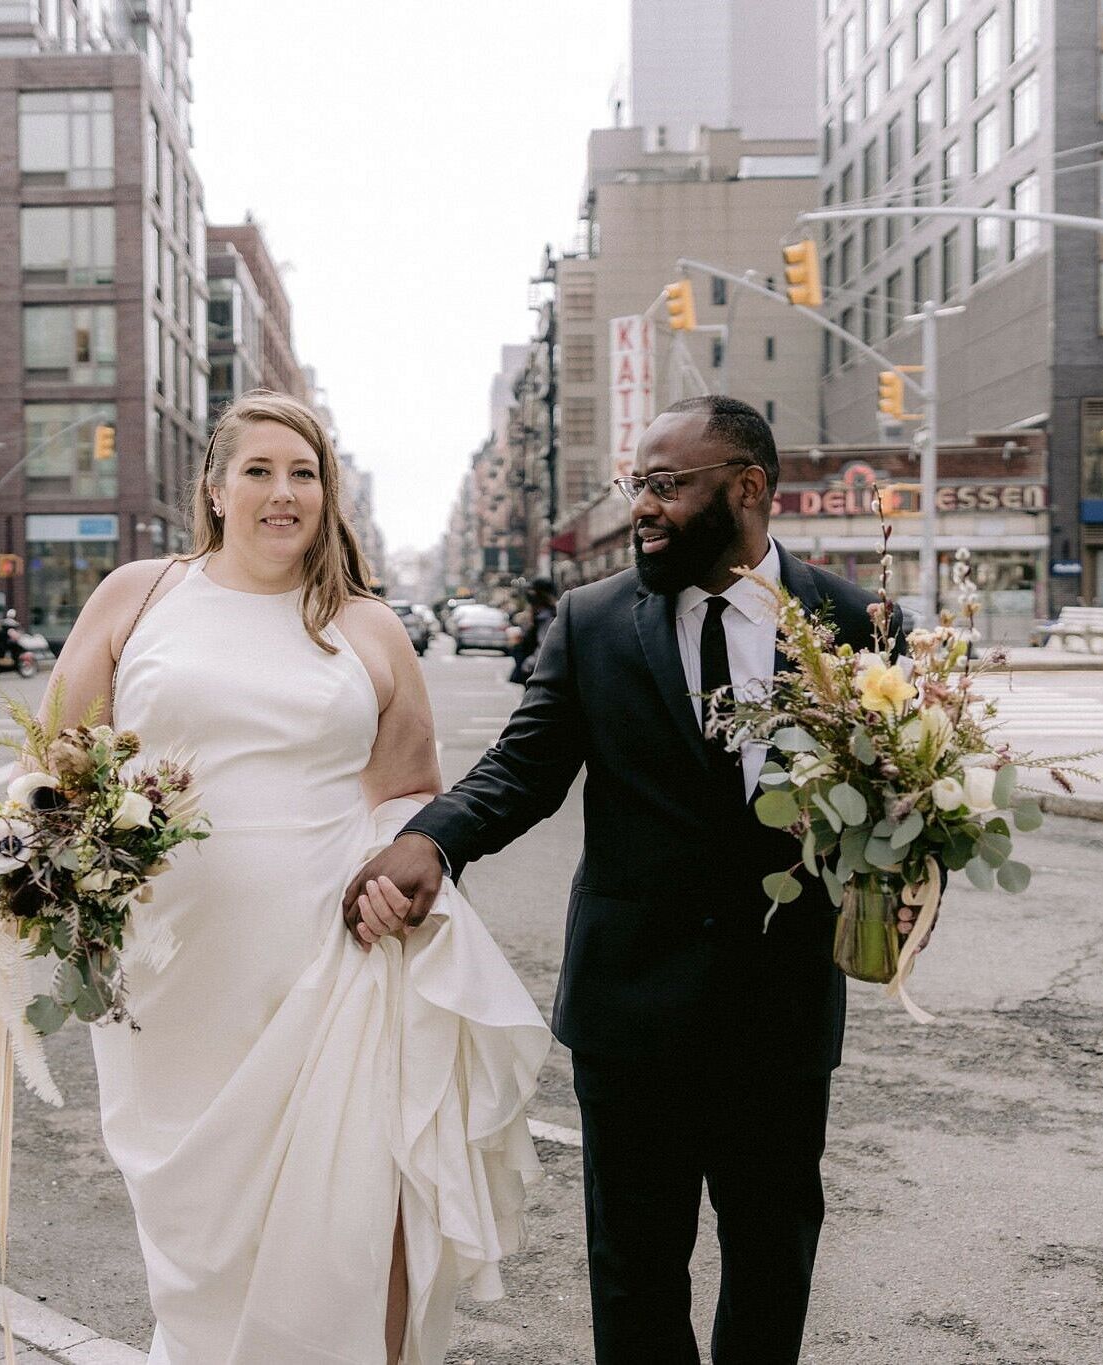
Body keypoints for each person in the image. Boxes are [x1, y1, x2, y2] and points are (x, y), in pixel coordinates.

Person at [345, 396, 913, 1365]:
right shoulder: (594, 620)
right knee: (633, 1266)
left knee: (772, 1252)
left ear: (744, 490)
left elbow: (906, 790)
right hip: (629, 1009)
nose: (639, 508)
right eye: (634, 486)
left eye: (662, 486)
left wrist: (905, 868)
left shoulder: (858, 625)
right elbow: (522, 769)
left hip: (778, 1011)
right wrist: (431, 843)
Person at [34, 390, 550, 1365]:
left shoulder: (365, 626)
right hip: (173, 978)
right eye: (259, 471)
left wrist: (401, 876)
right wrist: (64, 882)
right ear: (214, 489)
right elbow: (58, 766)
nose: (283, 493)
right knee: (202, 1254)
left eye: (303, 473)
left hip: (337, 965)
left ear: (327, 495)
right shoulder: (138, 596)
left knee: (361, 1217)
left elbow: (408, 794)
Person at [507, 578, 558, 687]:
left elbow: (544, 645)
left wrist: (529, 664)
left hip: (539, 673)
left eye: (533, 592)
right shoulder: (536, 615)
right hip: (536, 672)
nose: (529, 595)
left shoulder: (547, 617)